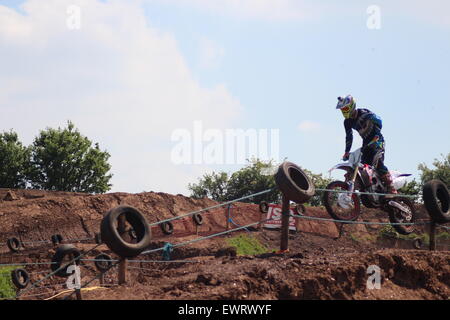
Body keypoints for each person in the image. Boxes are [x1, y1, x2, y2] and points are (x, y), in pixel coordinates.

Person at [336, 95, 397, 195]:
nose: (344, 111)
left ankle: (391, 188)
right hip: (366, 144)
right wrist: (346, 152)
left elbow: (379, 121)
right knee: (362, 167)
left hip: (377, 140)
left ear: (352, 106)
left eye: (345, 108)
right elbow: (349, 137)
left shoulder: (364, 113)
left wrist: (376, 133)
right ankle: (368, 189)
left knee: (377, 162)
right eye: (342, 109)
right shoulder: (347, 122)